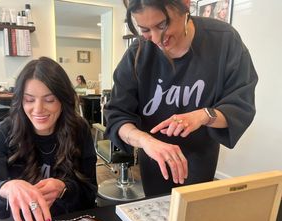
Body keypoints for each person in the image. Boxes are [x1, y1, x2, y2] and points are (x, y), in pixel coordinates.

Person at [104, 0, 257, 197]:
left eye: (162, 25)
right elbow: (116, 116)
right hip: (154, 159)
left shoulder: (224, 41)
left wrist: (202, 116)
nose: (157, 39)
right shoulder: (138, 53)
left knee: (194, 216)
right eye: (145, 29)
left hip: (201, 159)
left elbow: (241, 106)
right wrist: (146, 141)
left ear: (185, 5)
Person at [0, 57, 98, 221]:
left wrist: (64, 189)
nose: (38, 109)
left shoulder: (79, 130)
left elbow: (90, 192)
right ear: (20, 100)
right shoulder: (2, 135)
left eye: (49, 100)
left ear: (63, 100)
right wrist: (5, 189)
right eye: (29, 100)